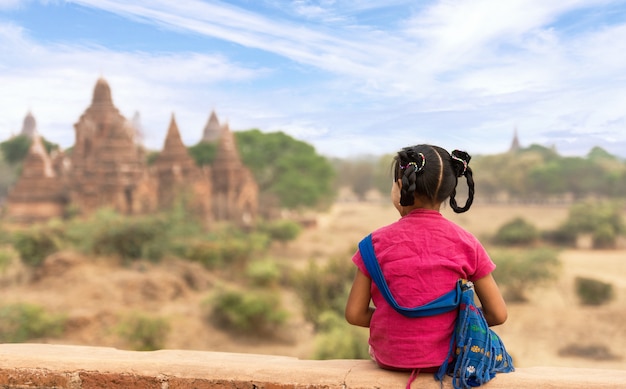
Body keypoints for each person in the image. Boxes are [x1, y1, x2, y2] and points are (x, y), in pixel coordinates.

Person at [344, 144, 508, 376]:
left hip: (390, 359)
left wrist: (397, 321)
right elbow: (498, 314)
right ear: (448, 192)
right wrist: (446, 323)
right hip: (449, 358)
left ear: (400, 186)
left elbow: (355, 314)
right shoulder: (467, 243)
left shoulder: (373, 244)